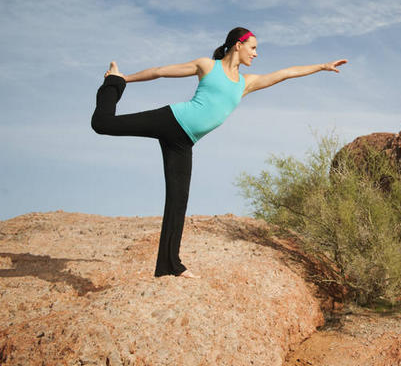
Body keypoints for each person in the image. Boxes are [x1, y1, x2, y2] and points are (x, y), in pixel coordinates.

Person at [91, 27, 347, 278]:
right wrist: (124, 79)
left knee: (178, 202)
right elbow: (160, 72)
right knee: (102, 124)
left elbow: (286, 73)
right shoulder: (207, 66)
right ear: (238, 44)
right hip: (170, 120)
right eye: (253, 48)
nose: (256, 54)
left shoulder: (246, 83)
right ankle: (112, 82)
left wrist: (321, 66)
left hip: (184, 142)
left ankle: (170, 266)